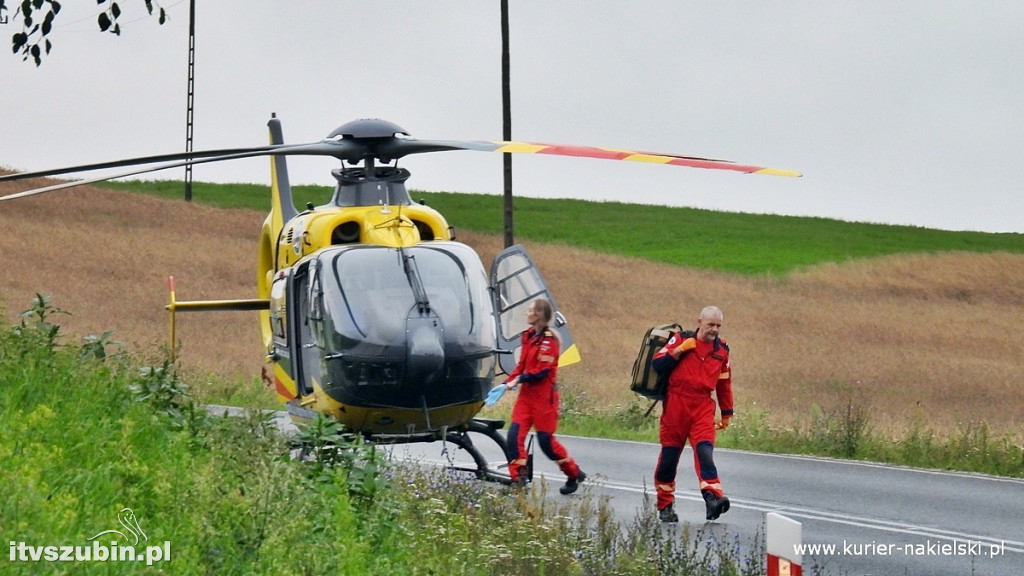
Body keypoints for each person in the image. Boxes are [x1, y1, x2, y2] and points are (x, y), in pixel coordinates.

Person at [651, 305, 733, 522]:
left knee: (705, 452)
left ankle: (713, 499)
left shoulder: (722, 350)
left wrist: (727, 412)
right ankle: (665, 505)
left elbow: (724, 384)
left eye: (718, 326)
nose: (714, 329)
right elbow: (657, 363)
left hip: (702, 408)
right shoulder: (681, 339)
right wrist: (679, 350)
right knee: (669, 458)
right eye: (710, 324)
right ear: (699, 322)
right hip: (676, 406)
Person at [502, 298, 587, 494]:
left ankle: (574, 474)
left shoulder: (550, 341)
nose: (526, 313)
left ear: (538, 315)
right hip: (526, 398)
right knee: (514, 438)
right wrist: (507, 382)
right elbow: (522, 365)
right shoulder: (528, 336)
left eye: (530, 310)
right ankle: (519, 479)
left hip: (544, 400)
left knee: (546, 444)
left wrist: (519, 379)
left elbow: (540, 372)